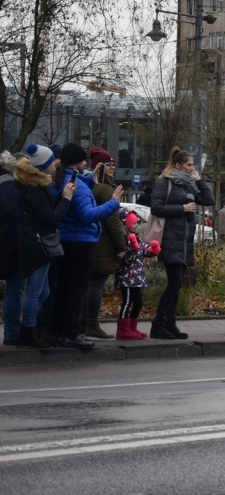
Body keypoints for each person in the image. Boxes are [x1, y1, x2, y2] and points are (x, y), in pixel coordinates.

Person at [51, 143, 122, 350]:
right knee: (76, 290)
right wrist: (113, 203)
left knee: (63, 288)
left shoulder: (61, 180)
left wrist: (90, 182)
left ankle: (58, 331)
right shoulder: (77, 186)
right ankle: (72, 333)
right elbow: (87, 215)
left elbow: (75, 203)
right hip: (81, 243)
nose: (86, 163)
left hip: (64, 240)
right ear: (77, 162)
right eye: (83, 160)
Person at [11, 146, 75, 348]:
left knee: (43, 292)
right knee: (35, 291)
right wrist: (66, 199)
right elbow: (51, 217)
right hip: (38, 246)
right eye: (51, 161)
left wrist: (61, 196)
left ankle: (28, 328)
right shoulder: (34, 189)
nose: (55, 164)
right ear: (43, 165)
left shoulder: (34, 185)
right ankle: (27, 330)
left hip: (35, 243)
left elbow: (44, 210)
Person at [149, 147, 213, 340]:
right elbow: (156, 207)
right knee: (175, 283)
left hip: (184, 242)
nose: (192, 168)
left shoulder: (189, 185)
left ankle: (170, 323)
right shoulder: (166, 182)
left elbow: (208, 199)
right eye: (189, 165)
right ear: (178, 165)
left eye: (193, 165)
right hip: (170, 239)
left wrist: (199, 180)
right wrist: (182, 208)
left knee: (177, 284)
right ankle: (158, 323)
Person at [85, 147, 125, 340]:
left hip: (92, 242)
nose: (113, 168)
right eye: (108, 165)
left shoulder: (92, 187)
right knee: (96, 285)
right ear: (99, 167)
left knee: (88, 285)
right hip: (102, 245)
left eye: (113, 164)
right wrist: (121, 246)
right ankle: (91, 324)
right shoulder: (107, 190)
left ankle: (81, 323)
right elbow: (112, 221)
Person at [114, 208, 160, 339]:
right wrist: (133, 248)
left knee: (138, 302)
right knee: (127, 301)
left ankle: (132, 328)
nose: (136, 225)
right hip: (127, 277)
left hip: (137, 278)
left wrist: (153, 249)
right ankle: (122, 329)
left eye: (136, 222)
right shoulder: (124, 239)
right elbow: (127, 259)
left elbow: (143, 251)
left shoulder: (136, 238)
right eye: (133, 223)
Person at [1, 150, 23, 345]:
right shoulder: (12, 189)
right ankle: (12, 333)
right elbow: (12, 220)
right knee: (15, 289)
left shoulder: (4, 185)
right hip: (10, 247)